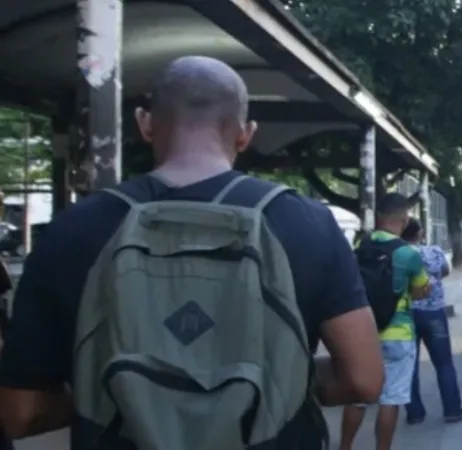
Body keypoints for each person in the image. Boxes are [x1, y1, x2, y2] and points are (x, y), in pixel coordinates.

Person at [0, 56, 384, 446]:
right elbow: (364, 379)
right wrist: (277, 383)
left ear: (145, 123)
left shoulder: (71, 230)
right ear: (245, 134)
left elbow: (19, 412)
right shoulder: (310, 224)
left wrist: (125, 394)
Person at [340, 193, 431, 450]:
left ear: (379, 217)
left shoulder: (361, 245)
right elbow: (419, 290)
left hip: (363, 332)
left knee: (358, 397)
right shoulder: (408, 253)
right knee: (390, 400)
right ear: (404, 220)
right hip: (398, 333)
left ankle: (344, 447)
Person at [400, 218, 462, 425]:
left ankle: (415, 413)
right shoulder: (435, 251)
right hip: (435, 312)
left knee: (409, 365)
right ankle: (453, 410)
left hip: (408, 314)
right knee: (444, 363)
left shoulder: (399, 254)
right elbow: (445, 271)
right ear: (419, 233)